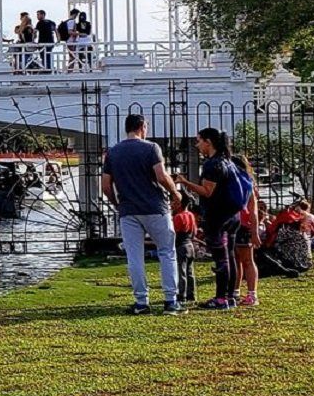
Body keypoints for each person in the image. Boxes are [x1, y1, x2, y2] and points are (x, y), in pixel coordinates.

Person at [101, 113, 184, 315]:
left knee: (134, 256)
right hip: (155, 207)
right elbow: (161, 175)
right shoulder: (151, 148)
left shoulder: (113, 153)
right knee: (166, 252)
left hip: (129, 210)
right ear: (142, 127)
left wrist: (117, 203)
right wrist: (175, 192)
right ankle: (170, 300)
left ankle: (141, 302)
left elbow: (105, 185)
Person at [177, 128, 248, 310]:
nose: (197, 145)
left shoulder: (212, 165)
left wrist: (185, 183)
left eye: (199, 140)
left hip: (218, 218)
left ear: (208, 142)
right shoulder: (229, 162)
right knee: (230, 256)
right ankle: (231, 296)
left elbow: (208, 192)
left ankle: (221, 298)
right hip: (233, 216)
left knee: (221, 259)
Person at [232, 156, 261, 305]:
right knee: (236, 260)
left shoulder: (247, 185)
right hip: (235, 224)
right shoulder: (237, 183)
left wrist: (255, 232)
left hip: (243, 226)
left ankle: (252, 294)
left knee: (247, 260)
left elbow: (253, 211)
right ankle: (235, 291)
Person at [171, 189, 198, 304]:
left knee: (181, 272)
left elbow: (174, 233)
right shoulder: (190, 215)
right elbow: (194, 232)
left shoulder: (178, 217)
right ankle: (191, 294)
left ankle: (182, 295)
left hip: (181, 246)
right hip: (190, 245)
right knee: (190, 271)